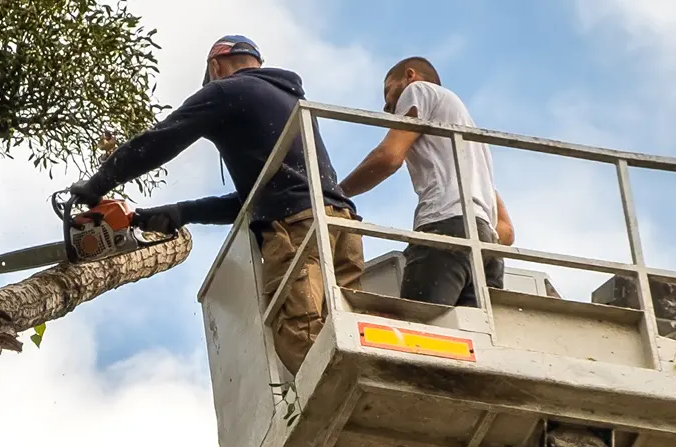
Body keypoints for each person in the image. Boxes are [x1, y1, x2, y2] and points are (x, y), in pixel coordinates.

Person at [68, 35, 364, 375]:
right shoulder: (290, 100)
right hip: (341, 226)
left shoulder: (226, 90)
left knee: (301, 335)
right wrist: (180, 213)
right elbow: (256, 200)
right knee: (348, 332)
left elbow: (161, 140)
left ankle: (342, 403)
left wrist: (97, 185)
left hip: (298, 230)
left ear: (216, 67)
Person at [339, 56, 514, 307]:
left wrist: (337, 193)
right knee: (469, 331)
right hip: (488, 252)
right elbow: (505, 231)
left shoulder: (419, 90)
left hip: (447, 229)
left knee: (420, 326)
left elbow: (389, 158)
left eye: (388, 92)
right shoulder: (474, 146)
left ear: (409, 76)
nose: (387, 107)